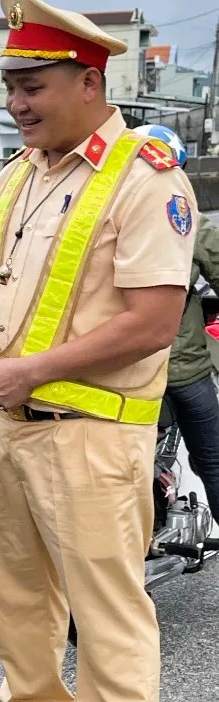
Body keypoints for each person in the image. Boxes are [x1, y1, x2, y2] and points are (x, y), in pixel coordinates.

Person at [0, 0, 198, 702]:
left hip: (92, 439)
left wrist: (33, 369)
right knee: (21, 611)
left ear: (89, 82)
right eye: (9, 87)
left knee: (109, 624)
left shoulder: (145, 179)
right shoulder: (14, 177)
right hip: (7, 433)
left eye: (32, 86)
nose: (17, 104)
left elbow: (154, 321)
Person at [135, 123, 219, 521]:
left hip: (120, 370)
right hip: (183, 370)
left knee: (117, 469)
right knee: (214, 461)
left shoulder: (103, 223)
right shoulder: (192, 223)